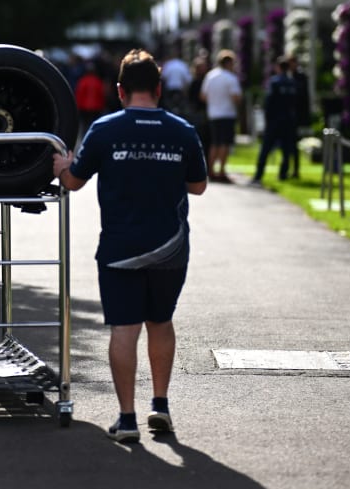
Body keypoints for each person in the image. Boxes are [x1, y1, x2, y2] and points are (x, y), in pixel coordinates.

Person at [52, 49, 208, 443]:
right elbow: (199, 185)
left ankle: (127, 419)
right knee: (161, 321)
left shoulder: (104, 129)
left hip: (120, 248)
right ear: (158, 88)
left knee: (125, 329)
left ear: (119, 90)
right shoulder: (182, 130)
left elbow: (72, 182)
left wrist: (60, 167)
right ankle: (161, 405)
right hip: (170, 247)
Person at [250, 57, 298, 185]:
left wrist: (267, 118)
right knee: (286, 150)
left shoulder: (274, 82)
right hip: (288, 120)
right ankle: (283, 174)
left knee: (265, 148)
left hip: (274, 120)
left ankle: (258, 175)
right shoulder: (292, 82)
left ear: (278, 67)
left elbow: (269, 102)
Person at [199, 49, 242, 183]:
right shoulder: (231, 78)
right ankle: (221, 171)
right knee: (225, 144)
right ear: (229, 63)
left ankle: (211, 170)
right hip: (227, 113)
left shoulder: (210, 76)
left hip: (213, 113)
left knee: (215, 143)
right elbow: (236, 97)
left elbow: (203, 96)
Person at [289, 56, 311, 178]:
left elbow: (304, 98)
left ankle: (295, 170)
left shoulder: (301, 77)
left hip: (296, 116)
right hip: (285, 115)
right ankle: (286, 168)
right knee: (286, 144)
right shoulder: (285, 76)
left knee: (294, 143)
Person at [74, 61, 106, 142]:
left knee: (84, 125)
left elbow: (79, 94)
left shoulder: (83, 81)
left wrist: (77, 106)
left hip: (84, 107)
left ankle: (85, 139)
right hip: (96, 107)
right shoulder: (97, 81)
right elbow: (101, 94)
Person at [159, 44, 191, 116]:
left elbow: (164, 77)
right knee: (181, 108)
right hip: (179, 90)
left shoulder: (168, 64)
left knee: (170, 107)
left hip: (170, 90)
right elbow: (188, 79)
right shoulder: (182, 65)